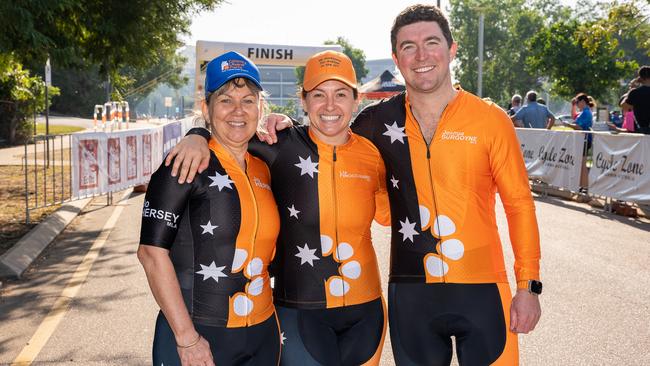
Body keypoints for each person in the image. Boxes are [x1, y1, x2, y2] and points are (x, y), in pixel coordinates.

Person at [172, 4, 543, 365]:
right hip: (409, 294)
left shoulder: (490, 120)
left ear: (451, 49)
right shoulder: (376, 123)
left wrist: (528, 285)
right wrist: (198, 133)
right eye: (408, 47)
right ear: (396, 59)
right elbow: (244, 131)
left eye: (431, 42)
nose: (420, 55)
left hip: (482, 291)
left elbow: (519, 204)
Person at [169, 51, 391, 365]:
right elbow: (229, 132)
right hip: (298, 313)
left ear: (356, 100)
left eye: (341, 94)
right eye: (318, 95)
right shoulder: (278, 145)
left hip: (366, 312)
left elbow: (389, 215)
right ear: (303, 100)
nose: (330, 106)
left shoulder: (372, 155)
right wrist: (198, 134)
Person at [138, 51, 281, 366]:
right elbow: (151, 253)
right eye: (226, 100)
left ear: (261, 107)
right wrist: (187, 339)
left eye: (248, 100)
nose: (238, 111)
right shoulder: (184, 163)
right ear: (206, 108)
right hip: (196, 338)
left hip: (262, 334)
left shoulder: (265, 164)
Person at [621, 65, 650, 134]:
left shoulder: (635, 92)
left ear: (640, 77)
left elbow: (624, 106)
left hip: (642, 131)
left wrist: (631, 89)